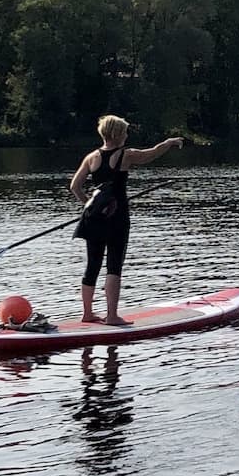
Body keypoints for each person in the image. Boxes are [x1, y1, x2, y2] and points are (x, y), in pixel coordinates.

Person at [69, 115, 184, 324]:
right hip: (116, 217)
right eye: (125, 132)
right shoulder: (126, 155)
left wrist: (90, 204)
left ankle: (87, 314)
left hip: (92, 217)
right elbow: (152, 154)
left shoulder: (91, 157)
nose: (127, 135)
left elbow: (75, 187)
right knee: (114, 264)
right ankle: (111, 316)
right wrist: (168, 143)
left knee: (92, 264)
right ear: (118, 134)